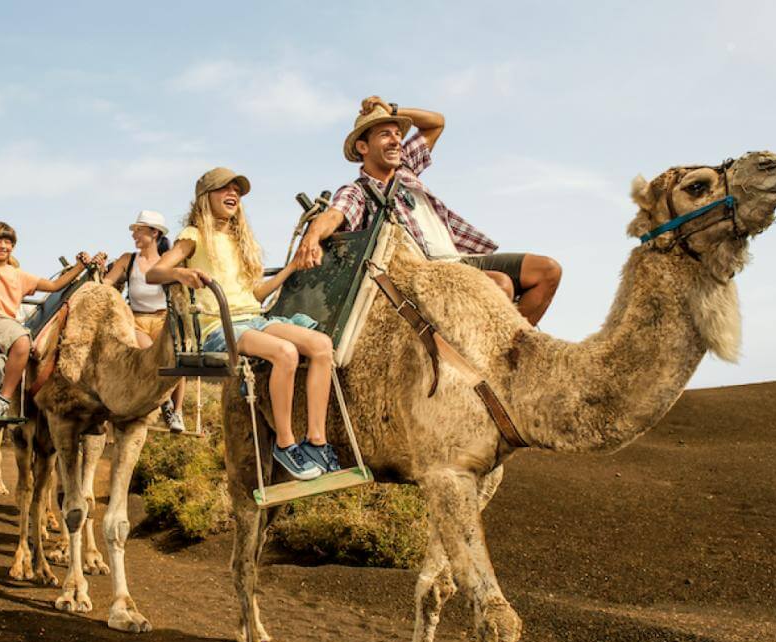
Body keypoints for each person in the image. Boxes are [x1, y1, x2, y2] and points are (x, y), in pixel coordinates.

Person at [295, 96, 563, 326]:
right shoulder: (360, 192)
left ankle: (514, 354)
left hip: (459, 259)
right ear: (363, 147)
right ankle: (490, 361)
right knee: (499, 285)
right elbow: (335, 214)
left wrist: (393, 111)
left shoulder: (405, 168)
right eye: (385, 134)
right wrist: (312, 236)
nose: (396, 141)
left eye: (398, 134)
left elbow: (436, 123)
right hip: (426, 273)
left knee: (547, 271)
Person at [146, 168, 340, 480]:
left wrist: (292, 267)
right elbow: (153, 273)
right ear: (205, 198)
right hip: (219, 326)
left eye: (236, 189)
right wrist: (181, 274)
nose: (232, 193)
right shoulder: (193, 236)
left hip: (253, 318)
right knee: (286, 353)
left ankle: (316, 441)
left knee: (321, 346)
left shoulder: (239, 241)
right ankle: (285, 443)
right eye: (224, 188)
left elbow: (256, 293)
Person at [0, 221, 104, 418]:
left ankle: (3, 400)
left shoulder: (18, 275)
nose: (3, 246)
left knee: (23, 341)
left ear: (13, 247)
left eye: (8, 243)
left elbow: (54, 286)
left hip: (3, 320)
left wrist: (80, 267)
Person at [101, 209, 187, 433]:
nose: (134, 235)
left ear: (154, 233)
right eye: (135, 231)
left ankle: (176, 412)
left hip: (162, 319)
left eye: (139, 231)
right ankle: (163, 401)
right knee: (149, 352)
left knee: (177, 356)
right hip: (136, 319)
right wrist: (99, 273)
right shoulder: (128, 260)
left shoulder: (167, 262)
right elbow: (106, 285)